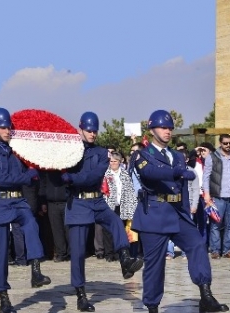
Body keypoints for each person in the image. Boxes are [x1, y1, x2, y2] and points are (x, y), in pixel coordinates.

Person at [131, 109, 228, 313]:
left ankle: (206, 295)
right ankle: (152, 306)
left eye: (170, 128)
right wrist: (175, 171)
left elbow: (183, 186)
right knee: (155, 265)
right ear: (152, 129)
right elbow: (149, 173)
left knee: (197, 244)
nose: (168, 131)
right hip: (154, 213)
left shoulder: (176, 155)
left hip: (177, 212)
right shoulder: (142, 154)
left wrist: (187, 212)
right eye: (163, 127)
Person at [61, 112, 143, 312]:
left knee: (115, 221)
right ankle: (81, 294)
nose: (92, 134)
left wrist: (72, 178)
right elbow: (61, 172)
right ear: (81, 129)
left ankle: (124, 259)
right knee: (78, 252)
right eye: (89, 130)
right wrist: (67, 176)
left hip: (96, 199)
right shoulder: (71, 150)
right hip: (78, 203)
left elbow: (92, 177)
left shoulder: (100, 153)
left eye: (95, 131)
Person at [0, 108, 51, 313]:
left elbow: (31, 170)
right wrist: (27, 177)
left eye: (9, 126)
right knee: (1, 252)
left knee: (31, 223)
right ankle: (3, 297)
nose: (7, 130)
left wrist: (34, 169)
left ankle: (36, 270)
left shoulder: (18, 152)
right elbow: (0, 180)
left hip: (18, 201)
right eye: (3, 127)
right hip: (0, 203)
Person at [202, 134, 230, 259]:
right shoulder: (213, 157)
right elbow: (206, 176)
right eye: (225, 143)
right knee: (216, 224)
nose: (228, 145)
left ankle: (228, 250)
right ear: (220, 143)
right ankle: (215, 250)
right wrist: (207, 194)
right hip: (218, 196)